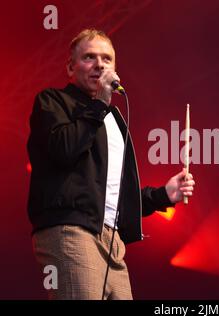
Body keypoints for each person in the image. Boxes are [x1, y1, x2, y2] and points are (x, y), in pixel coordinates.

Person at [27, 29, 195, 300]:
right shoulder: (53, 101)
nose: (100, 64)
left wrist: (164, 194)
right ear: (71, 67)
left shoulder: (113, 120)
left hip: (112, 239)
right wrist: (101, 103)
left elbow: (112, 193)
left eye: (107, 59)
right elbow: (64, 149)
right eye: (89, 57)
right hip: (72, 230)